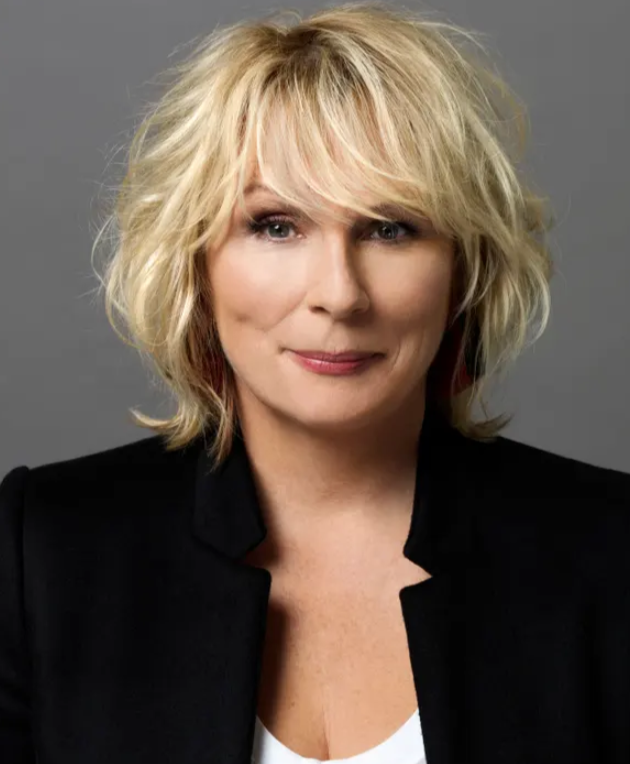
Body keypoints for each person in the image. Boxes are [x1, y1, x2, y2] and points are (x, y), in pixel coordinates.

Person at [1, 2, 629, 763]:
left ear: (464, 269)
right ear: (197, 263)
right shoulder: (43, 551)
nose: (339, 293)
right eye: (276, 225)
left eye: (391, 228)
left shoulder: (610, 548)